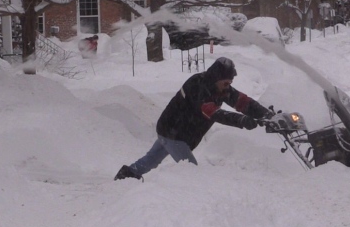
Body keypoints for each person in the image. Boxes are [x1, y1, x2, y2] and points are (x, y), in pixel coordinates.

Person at [114, 57, 271, 181]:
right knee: (191, 174)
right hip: (174, 134)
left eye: (230, 83)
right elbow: (213, 112)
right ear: (217, 77)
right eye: (226, 82)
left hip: (168, 130)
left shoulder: (220, 88)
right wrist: (241, 121)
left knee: (152, 159)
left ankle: (126, 176)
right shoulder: (197, 86)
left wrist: (267, 115)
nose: (228, 86)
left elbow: (243, 102)